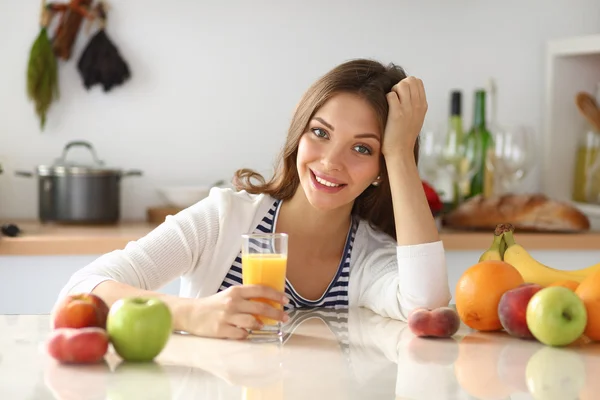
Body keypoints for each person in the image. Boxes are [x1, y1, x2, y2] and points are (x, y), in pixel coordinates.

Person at [54, 58, 451, 340]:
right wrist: (195, 314)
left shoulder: (366, 256)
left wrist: (400, 152)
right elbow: (79, 291)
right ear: (299, 134)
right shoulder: (224, 219)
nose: (331, 162)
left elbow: (427, 303)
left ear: (382, 166)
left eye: (362, 149)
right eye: (321, 133)